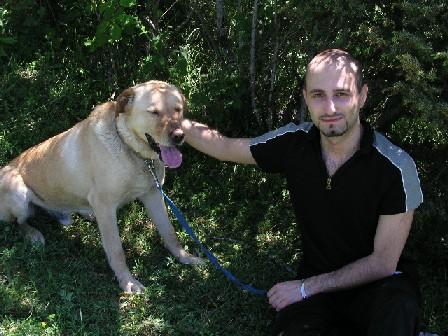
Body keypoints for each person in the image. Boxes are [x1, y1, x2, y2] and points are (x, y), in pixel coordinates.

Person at [181, 49, 423, 336]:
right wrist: (169, 120)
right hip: (316, 286)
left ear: (363, 96)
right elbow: (224, 147)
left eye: (342, 94)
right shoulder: (294, 144)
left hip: (381, 288)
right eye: (319, 94)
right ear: (306, 98)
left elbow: (383, 263)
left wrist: (306, 288)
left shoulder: (395, 166)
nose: (330, 107)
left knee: (396, 312)